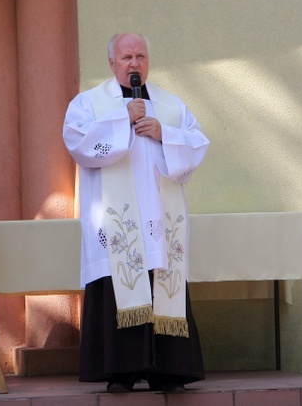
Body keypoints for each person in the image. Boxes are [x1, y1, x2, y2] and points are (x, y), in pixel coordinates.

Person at [62, 32, 210, 394]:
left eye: (140, 56)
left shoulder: (171, 105)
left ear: (148, 61)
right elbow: (78, 144)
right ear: (112, 63)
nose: (134, 64)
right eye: (126, 57)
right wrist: (120, 119)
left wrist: (165, 134)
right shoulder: (89, 104)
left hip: (160, 223)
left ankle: (169, 371)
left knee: (163, 282)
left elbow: (196, 144)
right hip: (118, 227)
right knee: (119, 283)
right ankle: (121, 371)